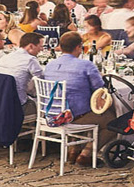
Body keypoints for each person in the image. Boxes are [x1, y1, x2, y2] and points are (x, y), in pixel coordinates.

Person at [41, 32, 105, 166]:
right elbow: (99, 88)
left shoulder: (50, 65)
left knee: (79, 106)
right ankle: (86, 154)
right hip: (72, 116)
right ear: (78, 47)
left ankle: (73, 151)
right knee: (111, 118)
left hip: (51, 114)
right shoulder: (86, 65)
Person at [0, 32, 45, 115]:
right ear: (31, 46)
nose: (42, 49)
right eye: (40, 46)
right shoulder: (30, 60)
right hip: (19, 105)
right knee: (44, 101)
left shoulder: (5, 57)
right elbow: (42, 82)